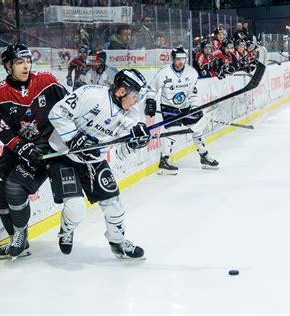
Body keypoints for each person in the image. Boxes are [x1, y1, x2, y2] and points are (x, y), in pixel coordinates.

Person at [47, 69, 149, 259]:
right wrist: (73, 138)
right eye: (135, 96)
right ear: (121, 91)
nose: (137, 101)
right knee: (76, 208)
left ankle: (117, 242)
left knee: (114, 205)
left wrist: (134, 144)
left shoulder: (132, 117)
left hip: (94, 160)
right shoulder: (90, 94)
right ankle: (66, 230)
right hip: (62, 155)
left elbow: (120, 153)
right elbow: (57, 113)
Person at [0, 44, 68, 260]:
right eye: (20, 62)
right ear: (8, 66)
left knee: (14, 189)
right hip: (17, 148)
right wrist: (21, 147)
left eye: (28, 61)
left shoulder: (47, 81)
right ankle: (17, 240)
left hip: (46, 144)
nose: (26, 66)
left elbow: (70, 107)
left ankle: (20, 235)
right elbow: (3, 131)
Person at [144, 46, 219, 175]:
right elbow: (151, 89)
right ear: (173, 59)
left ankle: (204, 156)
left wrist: (195, 107)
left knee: (197, 129)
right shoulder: (164, 73)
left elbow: (193, 93)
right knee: (173, 132)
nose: (181, 62)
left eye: (183, 59)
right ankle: (164, 161)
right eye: (178, 59)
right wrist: (150, 101)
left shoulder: (191, 72)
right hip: (169, 107)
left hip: (186, 107)